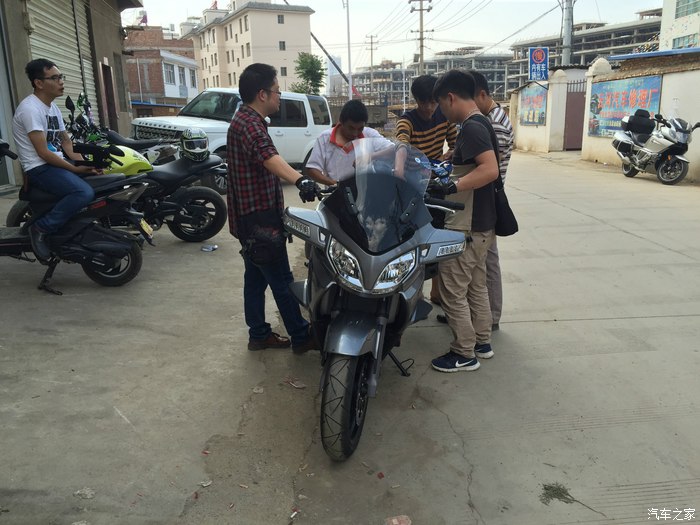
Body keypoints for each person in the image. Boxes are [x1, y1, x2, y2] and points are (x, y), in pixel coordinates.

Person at [226, 63, 320, 354]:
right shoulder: (250, 125)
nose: (280, 97)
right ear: (262, 94)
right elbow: (268, 156)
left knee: (255, 279)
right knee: (281, 280)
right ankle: (301, 337)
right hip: (260, 220)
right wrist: (300, 179)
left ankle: (258, 334)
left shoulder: (244, 119)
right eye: (277, 91)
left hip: (249, 218)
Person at [429, 70, 500, 373]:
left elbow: (490, 169)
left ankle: (463, 352)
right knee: (476, 286)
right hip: (483, 223)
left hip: (467, 225)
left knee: (453, 289)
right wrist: (452, 159)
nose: (442, 112)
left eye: (441, 105)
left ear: (450, 97)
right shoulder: (481, 122)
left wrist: (451, 186)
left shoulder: (471, 127)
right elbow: (475, 164)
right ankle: (482, 342)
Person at [12, 58, 99, 261]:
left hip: (54, 163)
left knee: (104, 180)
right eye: (55, 78)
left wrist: (84, 163)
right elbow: (43, 152)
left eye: (61, 77)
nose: (61, 82)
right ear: (39, 83)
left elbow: (66, 142)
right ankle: (41, 228)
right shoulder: (30, 109)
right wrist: (74, 169)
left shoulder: (53, 108)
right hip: (39, 168)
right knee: (83, 192)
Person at [396, 75, 457, 305]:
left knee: (436, 236)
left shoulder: (444, 116)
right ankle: (415, 294)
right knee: (413, 240)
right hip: (412, 186)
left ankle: (437, 293)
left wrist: (449, 154)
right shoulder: (407, 121)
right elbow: (401, 143)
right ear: (416, 101)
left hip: (436, 185)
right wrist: (399, 170)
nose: (430, 108)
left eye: (433, 102)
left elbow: (456, 142)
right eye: (424, 103)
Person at [470, 69, 513, 332]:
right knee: (483, 260)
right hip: (486, 198)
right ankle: (480, 315)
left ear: (483, 95)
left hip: (489, 199)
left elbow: (487, 167)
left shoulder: (494, 123)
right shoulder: (491, 118)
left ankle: (491, 317)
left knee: (488, 261)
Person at [305, 99, 383, 186]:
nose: (355, 133)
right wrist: (336, 185)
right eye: (351, 128)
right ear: (341, 121)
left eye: (360, 128)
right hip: (337, 190)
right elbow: (312, 169)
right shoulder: (324, 138)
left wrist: (371, 156)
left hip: (365, 190)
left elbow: (393, 150)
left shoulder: (370, 135)